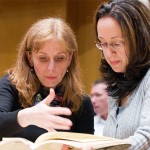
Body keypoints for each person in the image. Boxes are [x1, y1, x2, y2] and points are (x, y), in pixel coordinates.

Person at [0, 17, 94, 142]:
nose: (51, 68)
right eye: (43, 58)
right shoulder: (11, 84)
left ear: (69, 59)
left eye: (60, 58)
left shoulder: (81, 102)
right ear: (30, 58)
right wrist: (26, 117)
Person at [94, 0, 150, 149]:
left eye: (116, 43)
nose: (108, 53)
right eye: (103, 44)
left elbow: (146, 136)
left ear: (140, 39)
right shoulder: (117, 83)